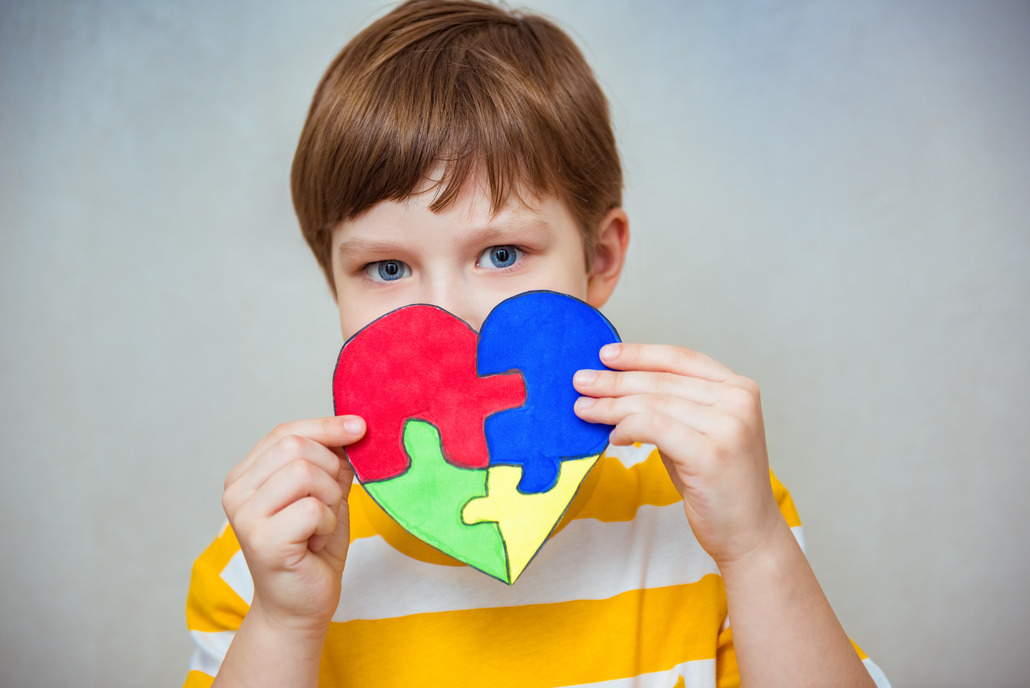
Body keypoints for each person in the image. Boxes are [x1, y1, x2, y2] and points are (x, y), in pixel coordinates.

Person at [184, 1, 891, 686]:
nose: (447, 314)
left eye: (500, 254)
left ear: (599, 260)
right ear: (334, 282)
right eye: (388, 268)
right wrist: (283, 625)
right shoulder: (273, 555)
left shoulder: (713, 511)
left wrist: (756, 550)